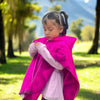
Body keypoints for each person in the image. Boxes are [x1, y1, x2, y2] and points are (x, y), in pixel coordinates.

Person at [19, 11, 80, 100]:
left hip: (54, 84)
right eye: (44, 29)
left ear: (60, 29)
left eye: (50, 29)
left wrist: (43, 50)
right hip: (44, 82)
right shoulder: (45, 41)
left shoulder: (63, 45)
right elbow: (32, 55)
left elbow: (59, 66)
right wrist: (33, 47)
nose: (47, 32)